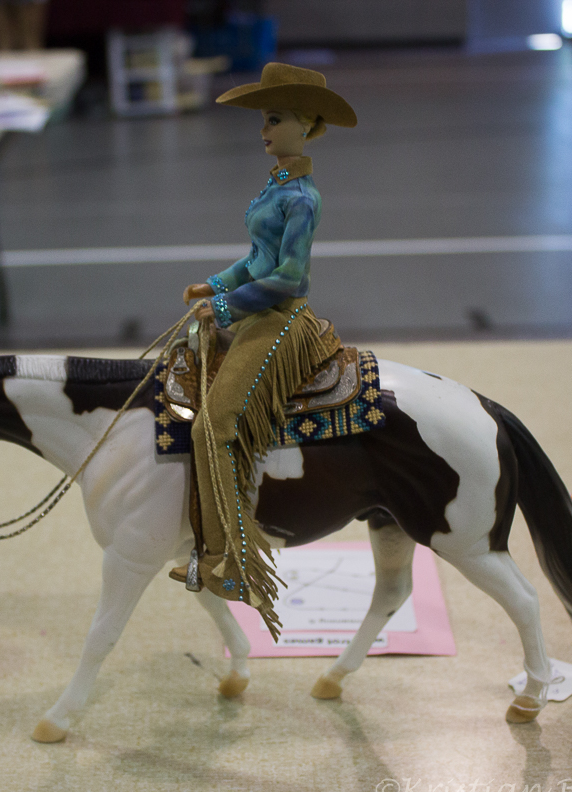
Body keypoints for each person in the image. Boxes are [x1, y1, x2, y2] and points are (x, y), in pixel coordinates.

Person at [176, 63, 357, 635]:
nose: (264, 130)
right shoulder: (276, 186)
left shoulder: (301, 197)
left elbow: (288, 278)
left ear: (305, 125)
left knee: (213, 427)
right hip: (255, 306)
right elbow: (256, 258)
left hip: (278, 319)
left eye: (274, 119)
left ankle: (233, 564)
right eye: (263, 120)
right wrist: (215, 284)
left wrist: (227, 307)